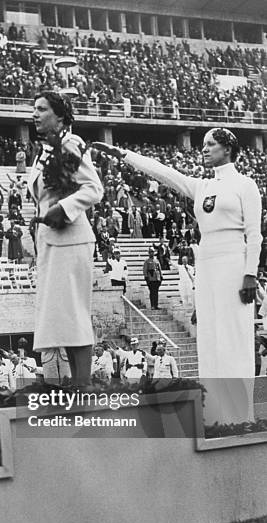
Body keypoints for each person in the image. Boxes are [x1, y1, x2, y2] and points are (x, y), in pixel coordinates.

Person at [94, 128, 262, 424]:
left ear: (228, 148)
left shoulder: (244, 185)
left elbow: (254, 234)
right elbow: (163, 172)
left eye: (211, 144)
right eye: (204, 144)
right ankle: (214, 415)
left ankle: (240, 413)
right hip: (207, 263)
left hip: (234, 262)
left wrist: (250, 273)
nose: (205, 149)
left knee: (233, 334)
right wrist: (123, 155)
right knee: (209, 336)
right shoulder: (202, 186)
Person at [29, 91, 103, 386]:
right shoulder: (44, 151)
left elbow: (94, 189)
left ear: (59, 116)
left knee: (72, 312)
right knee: (60, 315)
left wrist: (63, 208)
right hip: (51, 241)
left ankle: (82, 383)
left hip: (71, 238)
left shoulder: (70, 144)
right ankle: (75, 381)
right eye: (34, 109)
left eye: (42, 109)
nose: (35, 114)